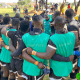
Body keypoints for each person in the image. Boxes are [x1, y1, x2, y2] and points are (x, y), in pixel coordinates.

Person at [12, 15, 74, 80]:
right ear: (42, 24)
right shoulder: (47, 37)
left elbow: (19, 53)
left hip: (28, 67)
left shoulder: (25, 36)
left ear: (32, 23)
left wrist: (11, 51)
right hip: (40, 69)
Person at [65, 8, 80, 80]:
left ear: (66, 16)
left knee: (73, 72)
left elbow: (75, 42)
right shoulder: (77, 22)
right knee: (76, 70)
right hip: (77, 50)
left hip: (74, 51)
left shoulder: (71, 25)